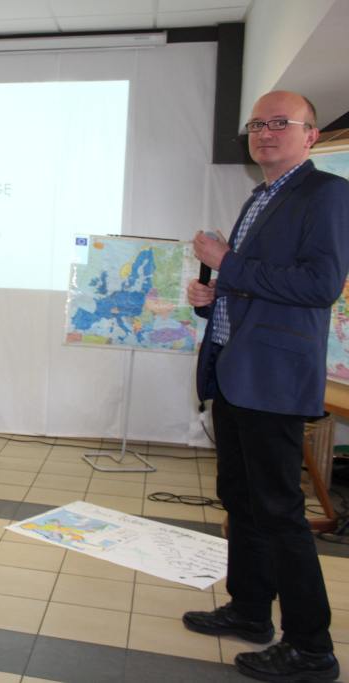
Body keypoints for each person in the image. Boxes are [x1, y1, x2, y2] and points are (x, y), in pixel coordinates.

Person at [183, 90, 349, 682]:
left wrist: (227, 262)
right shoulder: (261, 196)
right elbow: (259, 290)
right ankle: (250, 610)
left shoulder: (327, 193)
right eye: (257, 124)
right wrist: (211, 298)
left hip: (273, 378)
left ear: (311, 136)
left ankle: (311, 648)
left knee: (279, 511)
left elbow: (320, 285)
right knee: (241, 499)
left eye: (281, 123)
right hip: (235, 371)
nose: (266, 133)